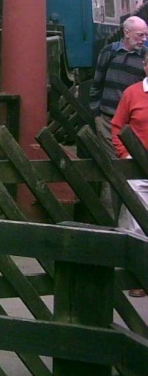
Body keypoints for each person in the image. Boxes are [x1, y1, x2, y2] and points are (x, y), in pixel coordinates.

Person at [110, 53, 148, 296]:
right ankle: (136, 277)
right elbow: (116, 127)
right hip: (137, 170)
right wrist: (125, 155)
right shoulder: (132, 93)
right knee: (135, 224)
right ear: (145, 65)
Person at [89, 15, 148, 153]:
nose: (144, 39)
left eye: (146, 35)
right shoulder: (109, 52)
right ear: (127, 33)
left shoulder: (145, 57)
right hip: (107, 120)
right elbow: (97, 84)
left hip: (134, 123)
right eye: (140, 35)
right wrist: (96, 114)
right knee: (113, 165)